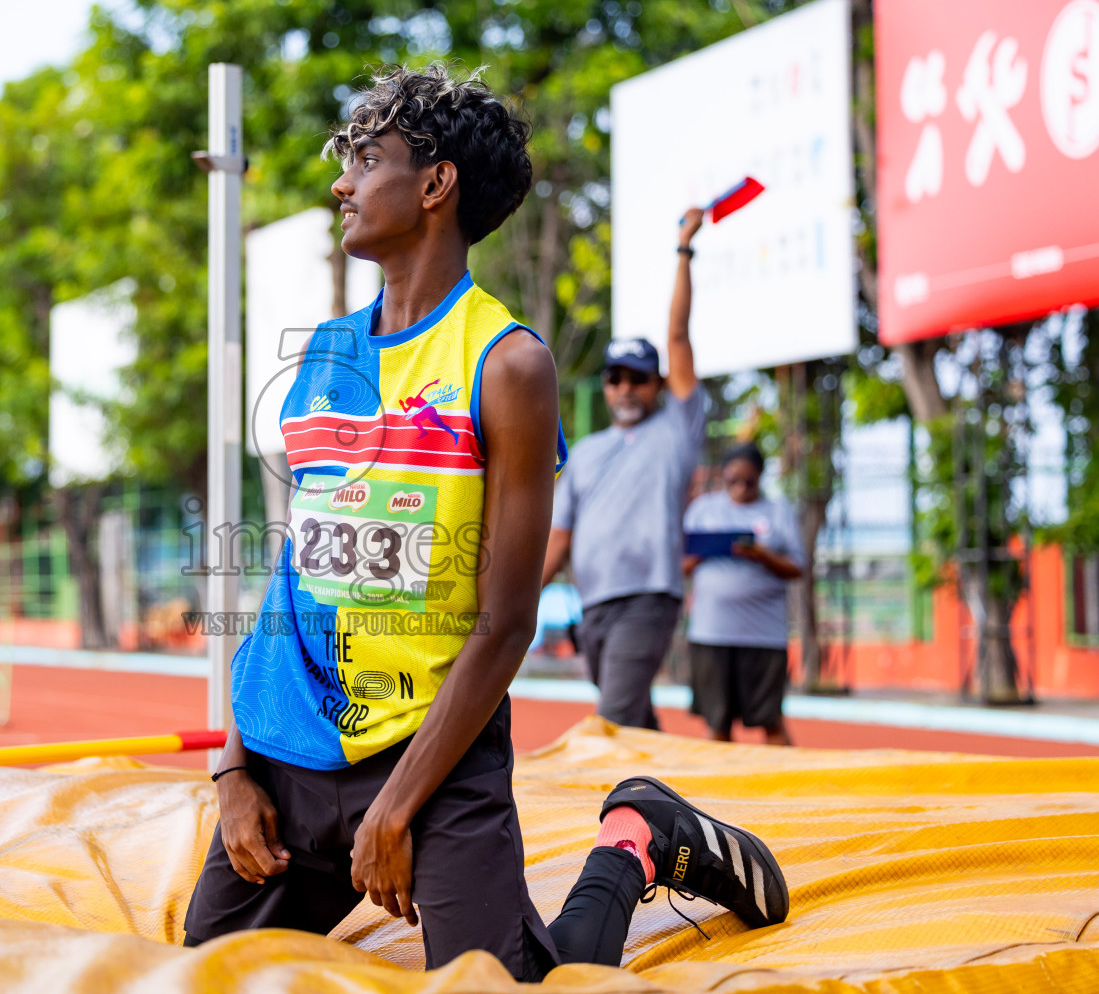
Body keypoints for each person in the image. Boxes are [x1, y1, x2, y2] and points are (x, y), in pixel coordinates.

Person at [183, 65, 787, 982]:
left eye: (367, 159)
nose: (341, 182)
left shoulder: (507, 365)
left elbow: (507, 622)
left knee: (506, 986)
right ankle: (623, 841)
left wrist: (397, 808)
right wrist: (234, 768)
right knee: (206, 972)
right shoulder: (321, 355)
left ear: (436, 185)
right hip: (290, 749)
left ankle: (635, 846)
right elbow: (293, 577)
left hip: (437, 752)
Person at [540, 212, 707, 730]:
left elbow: (677, 337)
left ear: (657, 385)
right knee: (636, 720)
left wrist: (683, 249)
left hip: (648, 598)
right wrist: (509, 607)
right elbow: (558, 538)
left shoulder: (677, 431)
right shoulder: (585, 453)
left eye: (638, 378)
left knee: (610, 719)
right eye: (615, 378)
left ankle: (611, 811)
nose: (625, 387)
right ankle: (672, 802)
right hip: (593, 606)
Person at [683, 443, 803, 745]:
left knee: (770, 720)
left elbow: (798, 568)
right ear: (722, 477)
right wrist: (706, 551)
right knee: (716, 723)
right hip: (711, 634)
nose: (739, 488)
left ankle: (789, 789)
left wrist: (762, 555)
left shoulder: (778, 511)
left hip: (763, 636)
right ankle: (716, 791)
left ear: (760, 477)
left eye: (748, 481)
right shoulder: (704, 510)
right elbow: (680, 565)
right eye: (732, 481)